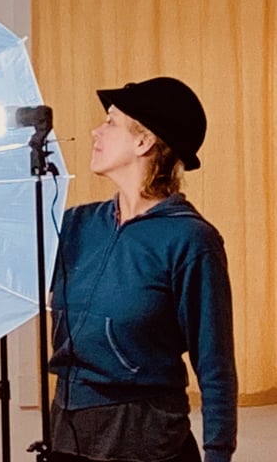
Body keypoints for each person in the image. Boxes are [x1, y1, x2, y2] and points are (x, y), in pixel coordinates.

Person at [48, 77, 237, 462]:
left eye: (111, 122)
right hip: (66, 433)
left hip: (145, 437)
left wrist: (218, 454)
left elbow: (215, 364)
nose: (95, 131)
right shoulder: (76, 225)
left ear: (144, 141)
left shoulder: (189, 239)